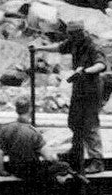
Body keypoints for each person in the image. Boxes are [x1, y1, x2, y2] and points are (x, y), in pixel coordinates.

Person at [38, 20, 107, 174]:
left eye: (72, 34)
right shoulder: (74, 42)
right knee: (74, 121)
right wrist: (38, 48)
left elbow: (101, 65)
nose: (70, 36)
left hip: (91, 89)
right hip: (79, 87)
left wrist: (86, 71)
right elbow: (59, 47)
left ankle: (97, 160)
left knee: (90, 124)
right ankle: (76, 152)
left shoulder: (92, 45)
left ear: (79, 32)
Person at [0, 95, 68, 186]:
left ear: (16, 110)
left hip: (14, 169)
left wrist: (1, 171)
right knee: (64, 165)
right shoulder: (33, 132)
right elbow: (49, 157)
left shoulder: (6, 129)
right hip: (31, 172)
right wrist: (57, 159)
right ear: (30, 109)